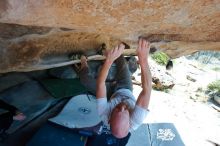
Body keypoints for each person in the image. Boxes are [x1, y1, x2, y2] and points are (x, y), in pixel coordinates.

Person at [78, 38, 152, 139]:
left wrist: (109, 61)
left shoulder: (104, 114)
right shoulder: (136, 119)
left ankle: (83, 63)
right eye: (126, 109)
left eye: (117, 109)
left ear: (109, 119)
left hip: (110, 94)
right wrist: (143, 60)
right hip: (126, 88)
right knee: (122, 63)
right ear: (130, 120)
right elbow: (147, 89)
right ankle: (105, 51)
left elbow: (101, 84)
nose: (122, 106)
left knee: (85, 80)